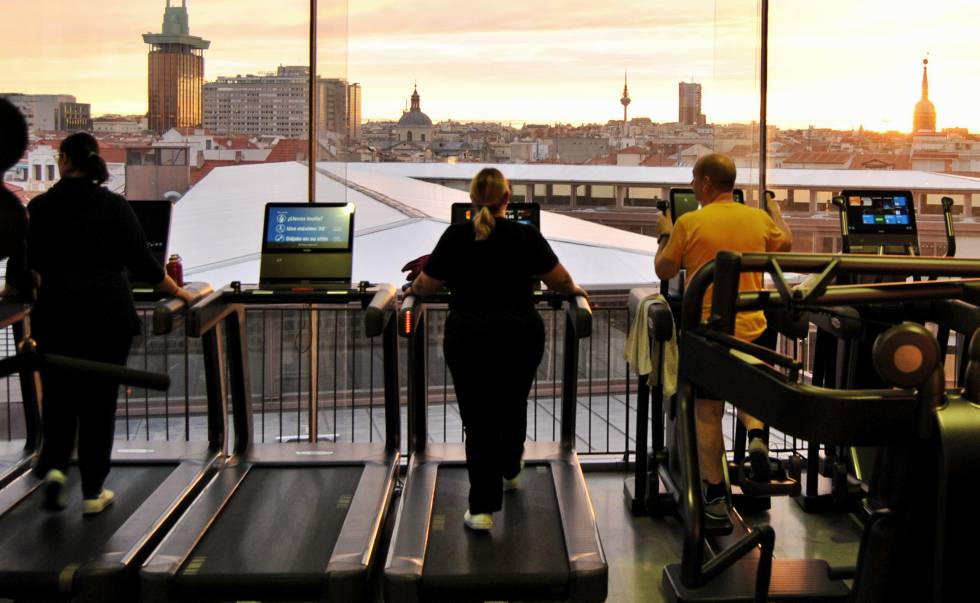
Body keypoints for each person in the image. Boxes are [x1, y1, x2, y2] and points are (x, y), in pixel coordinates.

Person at [406, 167, 587, 531]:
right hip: (520, 335)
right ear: (508, 198)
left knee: (479, 420)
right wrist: (578, 294)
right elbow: (561, 280)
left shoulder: (456, 236)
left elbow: (426, 284)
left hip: (469, 338)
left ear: (471, 201)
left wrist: (414, 292)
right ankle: (510, 465)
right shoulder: (527, 236)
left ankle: (482, 509)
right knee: (513, 401)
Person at [22, 132, 193, 514]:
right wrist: (180, 293)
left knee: (59, 398)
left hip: (56, 316)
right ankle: (93, 491)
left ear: (64, 160)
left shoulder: (40, 207)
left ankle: (55, 472)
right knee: (99, 404)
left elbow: (26, 270)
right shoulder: (114, 206)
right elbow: (144, 265)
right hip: (106, 316)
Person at [654, 153, 792, 520]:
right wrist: (773, 209)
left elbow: (664, 267)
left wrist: (665, 231)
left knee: (707, 410)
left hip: (709, 332)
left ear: (707, 184)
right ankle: (758, 438)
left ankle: (715, 494)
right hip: (754, 328)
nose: (693, 187)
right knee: (749, 392)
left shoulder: (689, 222)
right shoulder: (759, 219)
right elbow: (786, 244)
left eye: (695, 182)